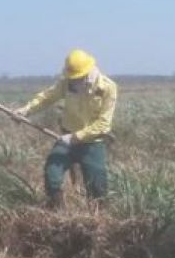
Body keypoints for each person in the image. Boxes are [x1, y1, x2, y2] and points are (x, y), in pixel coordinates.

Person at [15, 49, 116, 208]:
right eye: (72, 78)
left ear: (88, 73)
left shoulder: (107, 88)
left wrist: (74, 137)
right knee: (52, 173)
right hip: (66, 139)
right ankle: (58, 214)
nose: (74, 82)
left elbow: (103, 124)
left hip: (92, 142)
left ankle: (100, 218)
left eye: (78, 78)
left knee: (97, 187)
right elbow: (47, 97)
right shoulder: (66, 82)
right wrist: (25, 110)